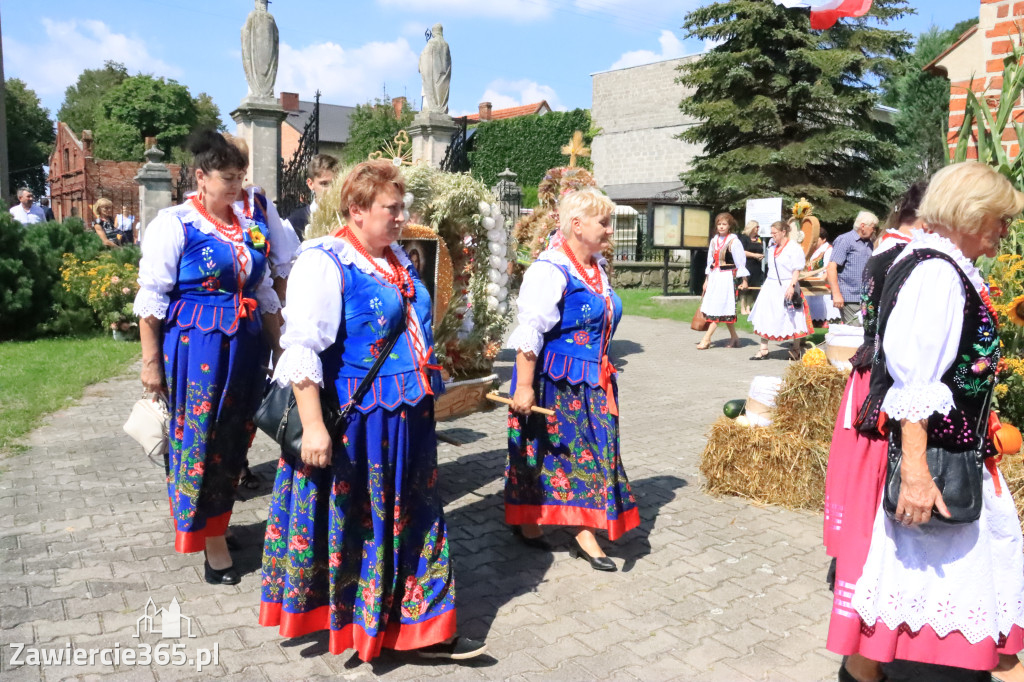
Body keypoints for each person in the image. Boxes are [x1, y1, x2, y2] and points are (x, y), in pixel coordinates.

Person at [260, 159, 485, 661]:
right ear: (356, 210)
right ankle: (372, 623)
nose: (402, 216)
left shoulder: (396, 259)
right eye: (392, 207)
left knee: (415, 515)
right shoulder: (326, 261)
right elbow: (302, 349)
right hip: (361, 423)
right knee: (366, 519)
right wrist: (314, 427)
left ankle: (422, 625)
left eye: (402, 206)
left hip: (410, 416)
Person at [833, 162, 1024, 682]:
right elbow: (913, 382)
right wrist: (916, 473)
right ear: (972, 212)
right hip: (940, 460)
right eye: (1000, 220)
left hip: (957, 450)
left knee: (904, 602)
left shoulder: (944, 264)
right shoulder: (937, 273)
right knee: (928, 591)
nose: (1005, 233)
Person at [133, 131, 282, 585]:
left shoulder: (246, 225)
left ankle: (218, 520)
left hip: (246, 345)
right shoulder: (176, 223)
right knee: (202, 440)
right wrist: (150, 362)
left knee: (236, 442)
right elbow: (152, 296)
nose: (236, 186)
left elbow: (262, 288)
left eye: (240, 176)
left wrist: (282, 348)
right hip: (198, 346)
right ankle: (209, 539)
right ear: (200, 176)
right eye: (227, 177)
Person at [505, 187, 639, 572]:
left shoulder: (596, 268)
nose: (610, 230)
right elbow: (530, 331)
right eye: (604, 222)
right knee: (545, 451)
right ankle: (560, 527)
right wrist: (525, 386)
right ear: (577, 225)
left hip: (593, 380)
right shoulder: (550, 269)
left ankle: (575, 527)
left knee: (593, 453)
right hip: (556, 381)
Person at [822, 181, 925, 660]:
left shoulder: (887, 250)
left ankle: (858, 562)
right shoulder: (908, 257)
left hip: (869, 376)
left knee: (862, 479)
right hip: (885, 385)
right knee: (875, 484)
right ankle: (869, 580)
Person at [748, 221, 812, 361]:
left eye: (775, 233)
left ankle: (796, 349)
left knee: (792, 316)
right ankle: (763, 348)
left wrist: (791, 285)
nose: (772, 236)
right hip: (771, 285)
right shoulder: (772, 247)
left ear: (783, 232)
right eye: (771, 233)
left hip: (787, 284)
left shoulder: (794, 248)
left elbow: (797, 269)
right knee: (766, 315)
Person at [697, 213, 749, 350]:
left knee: (719, 309)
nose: (721, 226)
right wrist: (706, 280)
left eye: (724, 224)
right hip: (715, 277)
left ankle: (706, 338)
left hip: (726, 277)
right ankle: (735, 338)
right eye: (719, 224)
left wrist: (744, 280)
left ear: (729, 226)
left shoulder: (734, 241)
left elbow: (740, 262)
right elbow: (710, 261)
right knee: (722, 308)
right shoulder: (714, 241)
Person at [827, 211, 879, 326]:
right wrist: (836, 294)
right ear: (863, 226)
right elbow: (831, 267)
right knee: (854, 331)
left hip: (865, 296)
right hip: (849, 297)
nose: (874, 231)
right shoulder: (845, 240)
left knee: (865, 332)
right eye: (873, 227)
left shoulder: (870, 243)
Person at [286, 154, 339, 240]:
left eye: (335, 183)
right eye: (324, 184)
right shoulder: (296, 222)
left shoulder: (349, 218)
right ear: (310, 184)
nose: (331, 190)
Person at [803, 227, 840, 327]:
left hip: (823, 282)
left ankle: (826, 320)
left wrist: (820, 281)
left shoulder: (828, 250)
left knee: (824, 302)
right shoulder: (813, 251)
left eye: (817, 239)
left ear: (823, 239)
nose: (814, 242)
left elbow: (828, 268)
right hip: (812, 281)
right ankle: (814, 320)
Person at [738, 220, 764, 315]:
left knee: (753, 287)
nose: (758, 229)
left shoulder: (758, 238)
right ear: (752, 227)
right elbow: (741, 252)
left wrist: (760, 256)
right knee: (745, 287)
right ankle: (742, 308)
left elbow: (760, 249)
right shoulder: (744, 238)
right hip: (746, 265)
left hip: (756, 266)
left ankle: (749, 307)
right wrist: (754, 255)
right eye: (757, 227)